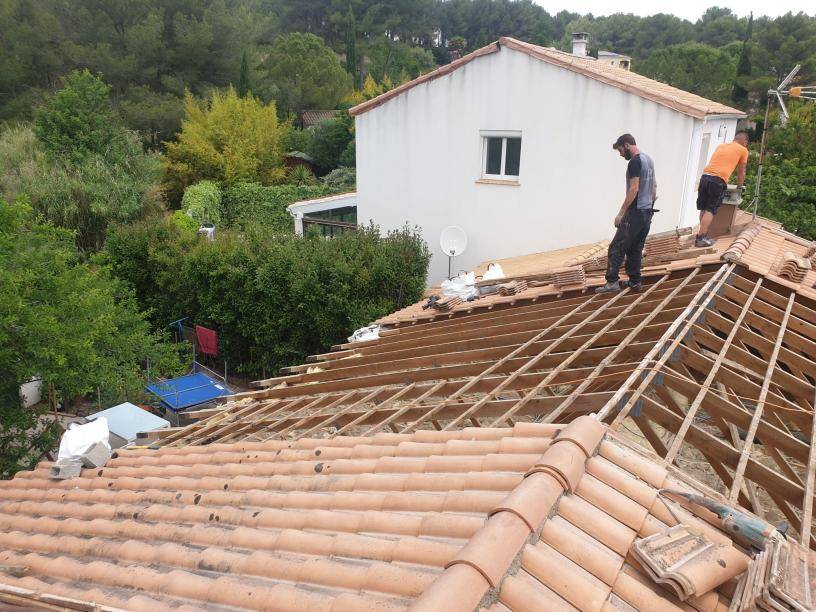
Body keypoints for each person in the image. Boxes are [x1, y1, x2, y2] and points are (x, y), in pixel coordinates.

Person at [596, 133, 657, 294]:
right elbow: (654, 187)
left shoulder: (635, 162)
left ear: (627, 145)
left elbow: (634, 188)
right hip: (647, 213)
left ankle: (612, 282)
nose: (621, 154)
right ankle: (635, 281)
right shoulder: (649, 160)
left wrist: (621, 213)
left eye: (621, 150)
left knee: (616, 247)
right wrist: (649, 207)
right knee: (635, 249)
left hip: (635, 212)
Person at [695, 132, 749, 247]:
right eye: (746, 143)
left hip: (705, 177)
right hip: (717, 180)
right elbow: (741, 171)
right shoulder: (743, 150)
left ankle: (702, 234)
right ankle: (701, 238)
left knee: (703, 208)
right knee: (710, 209)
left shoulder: (721, 146)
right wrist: (740, 186)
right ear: (744, 141)